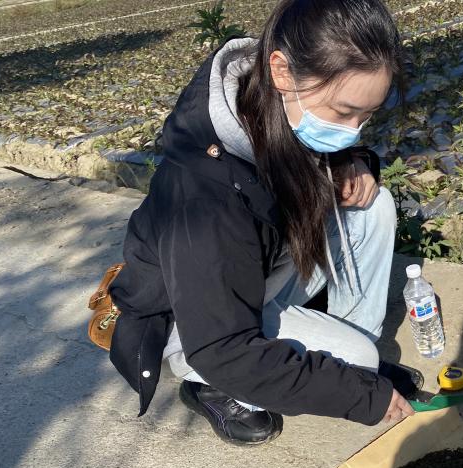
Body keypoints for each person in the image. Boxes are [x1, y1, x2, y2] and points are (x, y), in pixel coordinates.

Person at [107, 0, 417, 445]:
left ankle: (345, 362)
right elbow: (223, 348)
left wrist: (353, 162)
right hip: (200, 326)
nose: (352, 130)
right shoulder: (203, 196)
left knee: (373, 205)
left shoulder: (278, 105)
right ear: (282, 71)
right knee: (357, 365)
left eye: (366, 117)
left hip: (257, 269)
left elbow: (319, 156)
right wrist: (358, 396)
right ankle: (204, 385)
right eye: (344, 113)